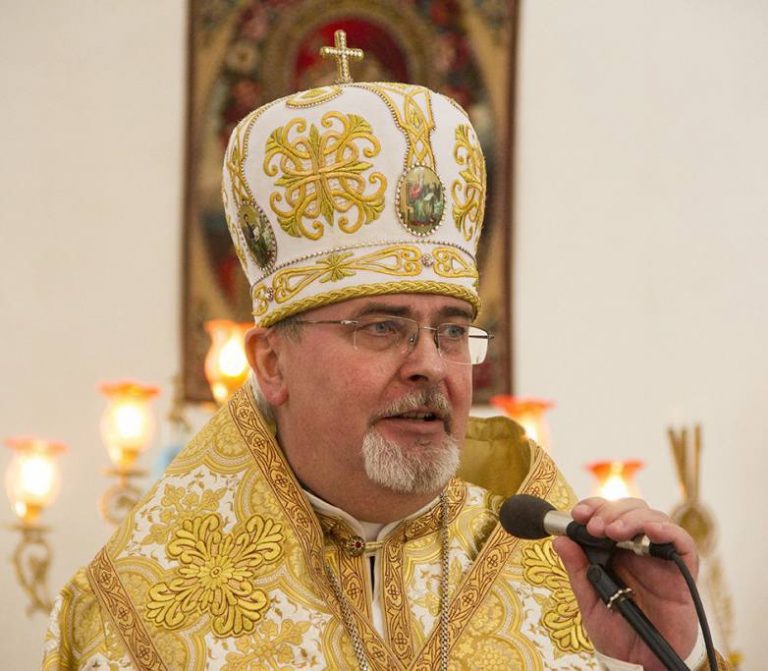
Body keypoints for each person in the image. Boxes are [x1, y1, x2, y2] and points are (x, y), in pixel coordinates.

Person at [43, 33, 728, 671]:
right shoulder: (136, 612)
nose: (429, 363)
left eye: (452, 330)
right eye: (381, 327)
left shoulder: (569, 569)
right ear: (272, 363)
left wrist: (649, 658)